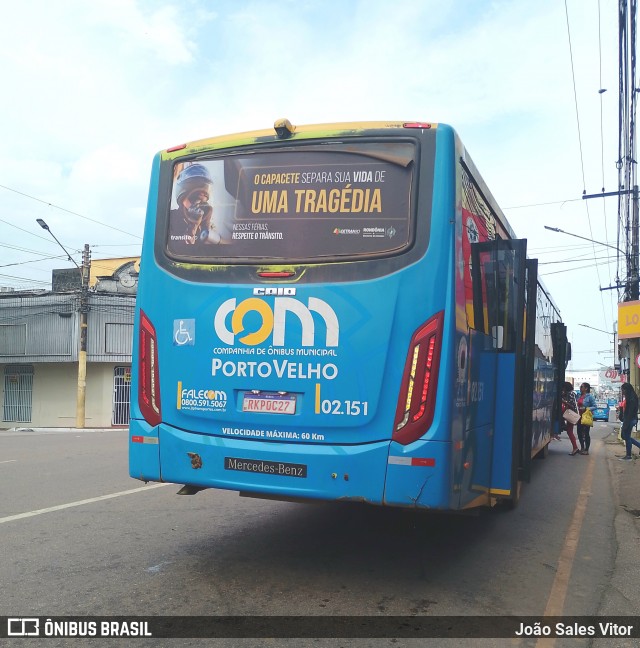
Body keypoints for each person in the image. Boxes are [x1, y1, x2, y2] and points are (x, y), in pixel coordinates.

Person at [168, 163, 220, 251]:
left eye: (201, 202)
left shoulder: (208, 224)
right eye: (194, 200)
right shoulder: (170, 219)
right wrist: (193, 225)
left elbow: (213, 253)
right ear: (183, 199)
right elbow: (178, 251)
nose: (198, 206)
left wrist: (206, 225)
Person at [618, 382, 640, 461]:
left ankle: (628, 456)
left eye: (623, 390)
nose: (622, 392)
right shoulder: (629, 397)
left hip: (630, 419)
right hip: (629, 419)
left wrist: (625, 424)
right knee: (626, 436)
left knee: (626, 437)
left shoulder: (632, 398)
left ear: (627, 390)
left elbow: (630, 413)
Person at [561, 381, 580, 456]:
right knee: (569, 431)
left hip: (571, 414)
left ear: (565, 387)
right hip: (571, 413)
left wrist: (564, 402)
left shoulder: (570, 394)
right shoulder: (571, 393)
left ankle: (575, 448)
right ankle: (575, 447)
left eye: (563, 387)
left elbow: (572, 405)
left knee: (569, 431)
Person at [576, 382, 596, 455]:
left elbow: (595, 406)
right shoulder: (578, 395)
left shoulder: (590, 397)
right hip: (579, 417)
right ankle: (582, 447)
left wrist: (586, 408)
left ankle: (586, 449)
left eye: (582, 387)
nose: (580, 388)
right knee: (579, 433)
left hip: (586, 417)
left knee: (586, 433)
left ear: (586, 388)